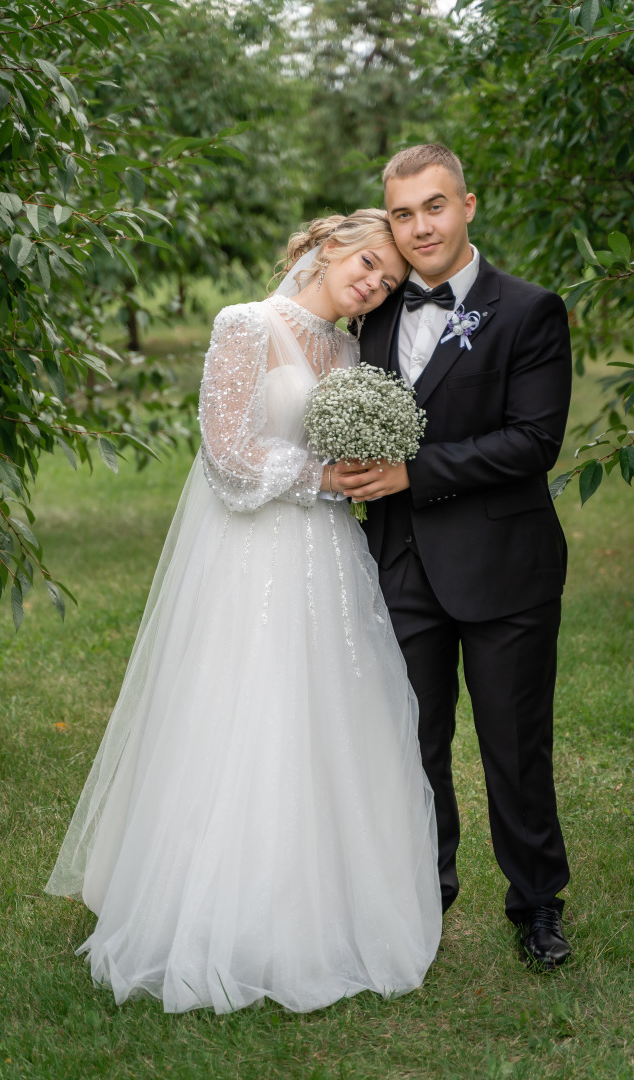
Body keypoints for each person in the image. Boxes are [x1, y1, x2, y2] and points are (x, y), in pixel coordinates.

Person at [45, 209, 442, 1013]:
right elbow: (227, 454)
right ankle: (210, 911)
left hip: (327, 556)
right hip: (250, 553)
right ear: (330, 247)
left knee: (329, 714)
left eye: (388, 282)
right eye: (367, 263)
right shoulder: (244, 325)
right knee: (244, 711)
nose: (372, 284)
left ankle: (321, 907)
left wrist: (361, 466)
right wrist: (327, 478)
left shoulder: (351, 350)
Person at [334, 145, 572, 970]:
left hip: (507, 567)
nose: (419, 227)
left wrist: (413, 471)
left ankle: (537, 902)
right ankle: (422, 895)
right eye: (402, 213)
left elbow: (534, 441)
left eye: (433, 207)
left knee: (515, 746)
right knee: (410, 743)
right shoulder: (374, 314)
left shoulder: (531, 310)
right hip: (399, 563)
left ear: (467, 205)